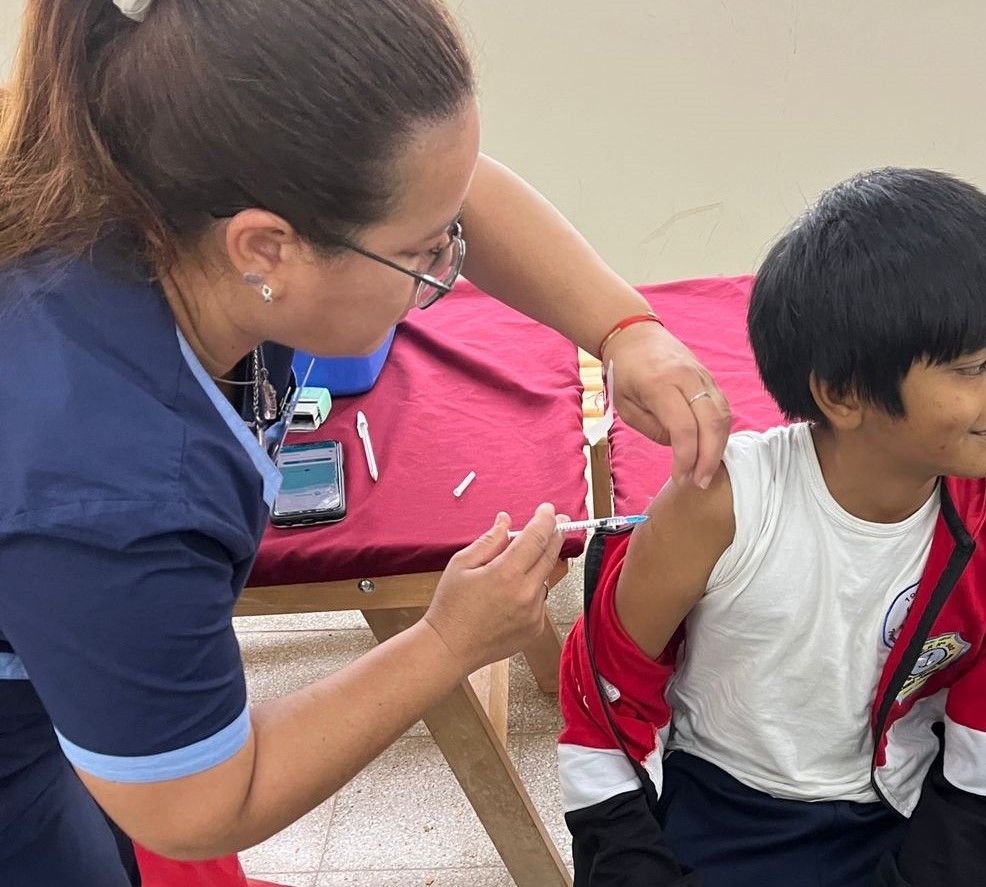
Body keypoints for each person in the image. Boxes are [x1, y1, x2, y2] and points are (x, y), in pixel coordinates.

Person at [0, 0, 732, 884]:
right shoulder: (111, 488)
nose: (447, 266)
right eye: (423, 255)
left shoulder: (161, 177)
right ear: (265, 248)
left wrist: (624, 328)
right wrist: (447, 641)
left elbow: (458, 194)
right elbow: (198, 802)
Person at [558, 167, 986, 887]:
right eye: (973, 367)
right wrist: (632, 860)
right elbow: (602, 686)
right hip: (724, 806)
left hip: (902, 802)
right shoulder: (722, 503)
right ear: (843, 393)